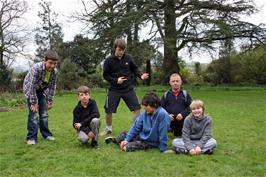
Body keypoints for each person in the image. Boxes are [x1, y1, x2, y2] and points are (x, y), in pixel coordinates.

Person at [101, 37, 149, 135]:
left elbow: (135, 69)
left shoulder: (128, 58)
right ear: (115, 48)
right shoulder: (109, 60)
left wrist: (141, 75)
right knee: (108, 110)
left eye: (123, 50)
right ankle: (108, 128)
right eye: (119, 50)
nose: (121, 52)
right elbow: (105, 75)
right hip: (114, 89)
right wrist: (115, 80)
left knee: (137, 109)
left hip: (128, 88)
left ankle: (135, 129)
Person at [105, 92, 170, 152]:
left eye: (146, 106)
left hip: (151, 142)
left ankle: (121, 142)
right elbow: (135, 127)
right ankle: (118, 140)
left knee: (127, 147)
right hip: (142, 135)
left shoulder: (162, 114)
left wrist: (163, 148)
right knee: (125, 133)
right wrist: (126, 140)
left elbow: (163, 133)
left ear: (155, 105)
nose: (144, 108)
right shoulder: (145, 113)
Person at [23, 49, 59, 145]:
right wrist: (34, 103)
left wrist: (49, 101)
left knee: (44, 114)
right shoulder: (36, 68)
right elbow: (32, 86)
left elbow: (52, 87)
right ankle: (31, 137)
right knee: (33, 114)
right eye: (50, 63)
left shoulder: (55, 72)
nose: (52, 66)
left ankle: (46, 134)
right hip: (30, 90)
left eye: (55, 64)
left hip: (42, 90)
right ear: (44, 60)